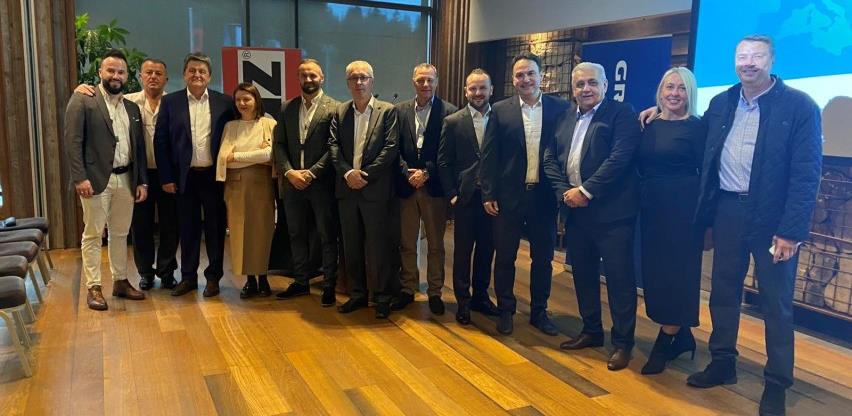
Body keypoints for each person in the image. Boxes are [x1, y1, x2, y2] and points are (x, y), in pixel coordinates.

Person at [640, 35, 823, 416]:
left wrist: (791, 231)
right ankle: (723, 362)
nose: (749, 62)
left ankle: (777, 382)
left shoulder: (799, 106)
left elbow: (807, 175)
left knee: (775, 303)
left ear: (772, 61)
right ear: (735, 61)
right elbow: (694, 140)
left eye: (757, 56)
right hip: (727, 211)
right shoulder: (721, 102)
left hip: (773, 219)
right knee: (723, 293)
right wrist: (655, 110)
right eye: (742, 56)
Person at [542, 62, 642, 371]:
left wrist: (586, 191)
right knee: (583, 275)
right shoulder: (565, 117)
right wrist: (565, 193)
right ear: (572, 89)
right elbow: (550, 158)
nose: (586, 89)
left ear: (605, 85)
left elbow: (620, 159)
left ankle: (623, 343)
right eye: (580, 84)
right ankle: (592, 331)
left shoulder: (622, 114)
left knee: (619, 280)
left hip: (612, 214)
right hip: (576, 211)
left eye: (592, 83)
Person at [480, 53, 571, 335]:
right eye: (519, 75)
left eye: (530, 73)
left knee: (543, 259)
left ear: (541, 76)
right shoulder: (500, 110)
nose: (525, 79)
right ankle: (506, 310)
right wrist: (488, 193)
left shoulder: (561, 108)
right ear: (513, 79)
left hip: (544, 198)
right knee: (505, 257)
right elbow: (490, 154)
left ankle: (539, 312)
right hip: (508, 197)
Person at [74, 59, 180, 290]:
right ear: (140, 77)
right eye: (148, 72)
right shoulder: (128, 101)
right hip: (136, 175)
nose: (153, 77)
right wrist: (80, 89)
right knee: (139, 227)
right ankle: (145, 273)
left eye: (158, 73)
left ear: (166, 79)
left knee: (170, 225)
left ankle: (167, 271)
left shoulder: (174, 103)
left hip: (167, 175)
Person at [64, 49, 148, 310]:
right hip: (95, 180)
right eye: (110, 70)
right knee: (93, 234)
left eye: (121, 72)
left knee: (120, 233)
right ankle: (94, 287)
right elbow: (72, 141)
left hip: (126, 179)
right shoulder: (83, 100)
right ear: (100, 72)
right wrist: (79, 178)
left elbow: (139, 148)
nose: (115, 75)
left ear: (127, 76)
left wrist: (142, 181)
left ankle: (120, 281)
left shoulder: (132, 107)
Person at [636, 67, 706, 375]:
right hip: (652, 208)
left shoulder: (698, 127)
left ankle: (665, 342)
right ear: (660, 90)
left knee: (677, 276)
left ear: (689, 93)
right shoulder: (648, 123)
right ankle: (682, 335)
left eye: (681, 88)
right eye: (669, 87)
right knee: (656, 275)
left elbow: (707, 174)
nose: (674, 93)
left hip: (683, 211)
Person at [154, 52, 236, 298]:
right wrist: (166, 178)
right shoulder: (171, 102)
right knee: (187, 229)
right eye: (192, 70)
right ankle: (188, 277)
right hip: (184, 178)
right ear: (184, 74)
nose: (197, 75)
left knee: (215, 229)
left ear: (209, 76)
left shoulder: (225, 103)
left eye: (202, 71)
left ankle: (213, 278)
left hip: (214, 177)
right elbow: (161, 141)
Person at [328, 60, 399, 319]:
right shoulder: (340, 111)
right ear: (347, 82)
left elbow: (390, 148)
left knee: (378, 246)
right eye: (354, 78)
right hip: (347, 190)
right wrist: (348, 173)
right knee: (351, 245)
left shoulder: (387, 111)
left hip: (375, 190)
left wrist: (364, 175)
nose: (359, 82)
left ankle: (382, 296)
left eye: (364, 77)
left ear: (372, 80)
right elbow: (333, 146)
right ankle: (357, 294)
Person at [273, 59, 341, 306]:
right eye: (304, 75)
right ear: (298, 79)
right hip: (293, 183)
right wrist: (289, 172)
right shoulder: (287, 108)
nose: (308, 79)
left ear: (322, 78)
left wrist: (312, 173)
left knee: (326, 235)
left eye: (313, 75)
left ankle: (329, 284)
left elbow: (335, 147)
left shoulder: (335, 108)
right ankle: (301, 281)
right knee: (296, 234)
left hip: (321, 183)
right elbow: (279, 144)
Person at [391, 63, 457, 315]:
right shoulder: (399, 111)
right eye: (421, 80)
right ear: (413, 82)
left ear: (436, 82)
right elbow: (393, 148)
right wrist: (406, 171)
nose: (425, 84)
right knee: (407, 242)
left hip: (434, 188)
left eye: (430, 80)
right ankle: (408, 288)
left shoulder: (449, 112)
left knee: (436, 245)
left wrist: (427, 173)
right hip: (406, 186)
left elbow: (449, 153)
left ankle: (435, 292)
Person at [437, 68, 501, 325]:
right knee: (463, 252)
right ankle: (463, 301)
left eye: (482, 88)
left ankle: (481, 298)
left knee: (487, 250)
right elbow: (443, 162)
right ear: (466, 91)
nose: (478, 93)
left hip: (492, 198)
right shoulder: (453, 121)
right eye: (473, 88)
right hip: (465, 197)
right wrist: (452, 194)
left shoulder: (502, 119)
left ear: (491, 90)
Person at [215, 82, 276, 298]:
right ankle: (249, 280)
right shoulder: (231, 127)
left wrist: (238, 156)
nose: (242, 103)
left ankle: (263, 278)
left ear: (256, 100)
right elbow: (224, 159)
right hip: (236, 186)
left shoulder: (269, 124)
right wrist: (255, 155)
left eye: (247, 99)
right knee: (240, 233)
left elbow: (270, 155)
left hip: (263, 185)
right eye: (238, 99)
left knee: (262, 231)